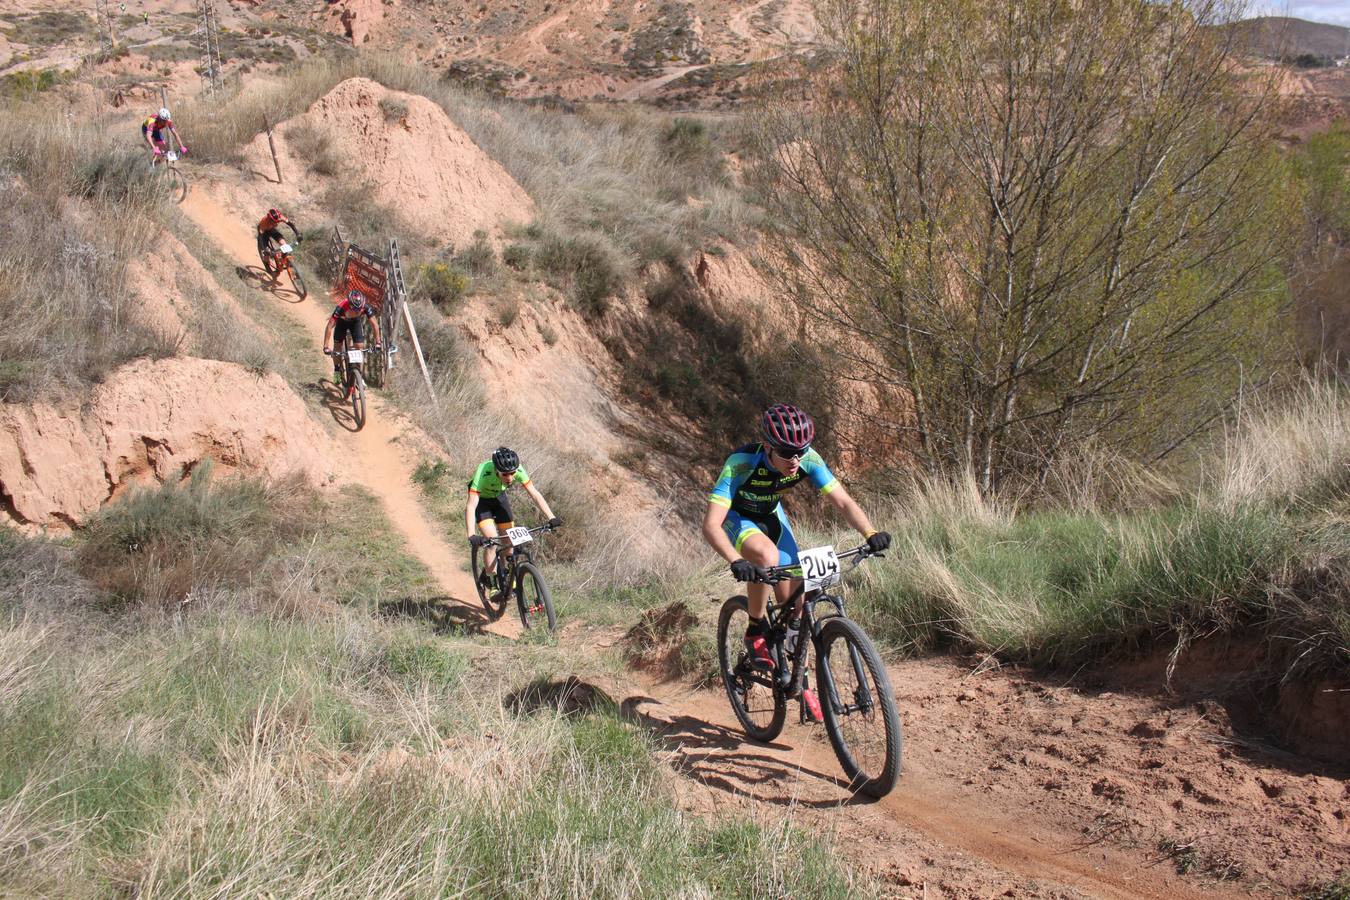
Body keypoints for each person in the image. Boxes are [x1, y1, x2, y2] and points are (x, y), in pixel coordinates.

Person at [702, 403, 891, 676]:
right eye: (788, 453)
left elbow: (842, 501)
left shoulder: (807, 459)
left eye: (801, 452)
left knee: (797, 604)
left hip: (771, 515)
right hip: (737, 516)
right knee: (767, 557)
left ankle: (796, 678)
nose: (795, 461)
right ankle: (755, 629)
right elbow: (710, 525)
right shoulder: (741, 463)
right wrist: (736, 559)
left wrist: (870, 533)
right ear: (768, 447)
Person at [465, 447, 563, 591]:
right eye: (505, 474)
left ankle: (507, 575)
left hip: (499, 498)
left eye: (512, 473)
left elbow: (534, 494)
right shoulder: (484, 471)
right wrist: (471, 535)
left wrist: (551, 517)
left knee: (509, 541)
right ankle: (491, 579)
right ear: (496, 470)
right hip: (482, 502)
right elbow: (471, 505)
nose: (510, 478)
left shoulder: (518, 469)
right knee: (491, 540)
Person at [322, 289, 381, 393]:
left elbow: (375, 325)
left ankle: (359, 376)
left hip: (355, 323)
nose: (357, 311)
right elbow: (330, 326)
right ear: (349, 304)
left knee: (359, 346)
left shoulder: (365, 307)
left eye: (359, 310)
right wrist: (326, 346)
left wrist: (378, 343)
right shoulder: (341, 307)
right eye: (354, 309)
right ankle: (337, 370)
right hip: (342, 322)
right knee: (337, 346)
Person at [256, 208, 301, 273]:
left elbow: (291, 224)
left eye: (277, 222)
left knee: (284, 244)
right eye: (274, 222)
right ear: (269, 219)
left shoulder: (280, 217)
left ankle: (284, 259)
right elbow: (260, 237)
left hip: (271, 230)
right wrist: (264, 250)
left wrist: (298, 234)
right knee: (267, 254)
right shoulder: (264, 222)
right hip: (263, 233)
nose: (276, 223)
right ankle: (267, 265)